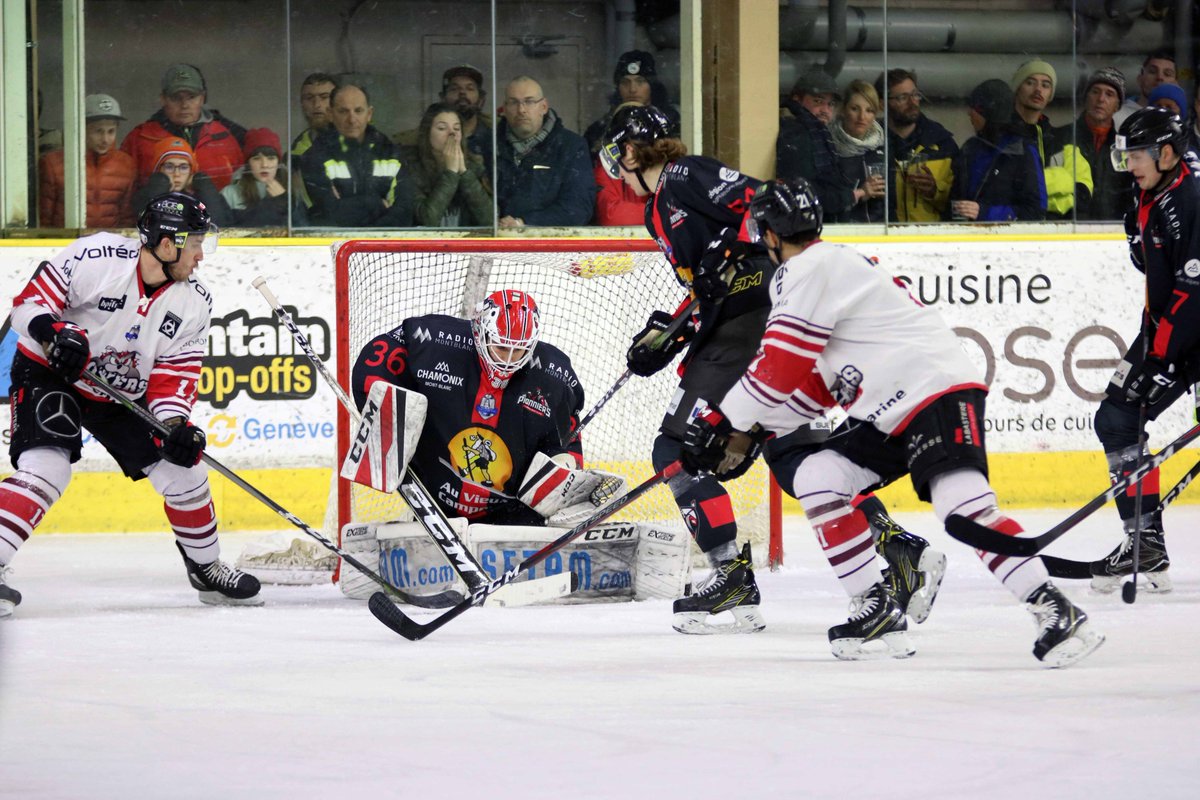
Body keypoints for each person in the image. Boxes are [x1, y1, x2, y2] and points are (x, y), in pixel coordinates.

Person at [682, 176, 1104, 667]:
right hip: (892, 407)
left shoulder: (808, 270)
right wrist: (755, 430)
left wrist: (725, 419)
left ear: (770, 234)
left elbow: (778, 367)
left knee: (963, 509)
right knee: (818, 476)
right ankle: (876, 606)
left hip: (934, 394)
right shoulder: (827, 268)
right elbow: (817, 387)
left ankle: (1054, 609)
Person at [599, 104, 936, 633]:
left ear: (630, 150)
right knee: (795, 455)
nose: (615, 169)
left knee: (677, 449)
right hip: (747, 322)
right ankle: (898, 549)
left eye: (615, 155)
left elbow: (765, 203)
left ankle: (730, 577)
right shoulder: (656, 209)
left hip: (753, 321)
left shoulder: (684, 174)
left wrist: (725, 253)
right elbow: (709, 283)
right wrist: (672, 332)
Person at [0, 192, 262, 618]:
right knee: (47, 468)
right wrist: (54, 332)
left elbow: (173, 377)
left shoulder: (194, 302)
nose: (201, 256)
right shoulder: (96, 257)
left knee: (185, 470)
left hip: (120, 392)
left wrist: (175, 425)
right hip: (51, 372)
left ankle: (206, 568)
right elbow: (28, 306)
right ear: (167, 244)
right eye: (196, 244)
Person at [350, 290, 587, 524]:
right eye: (501, 347)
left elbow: (568, 437)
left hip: (511, 512)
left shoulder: (556, 376)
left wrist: (566, 466)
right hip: (435, 499)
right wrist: (385, 418)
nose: (508, 360)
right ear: (480, 332)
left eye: (519, 350)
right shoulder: (433, 341)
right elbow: (376, 361)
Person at [1089, 106, 1200, 594]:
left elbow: (1194, 291)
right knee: (1116, 419)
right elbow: (1151, 265)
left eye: (1137, 155)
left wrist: (1162, 356)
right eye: (1126, 156)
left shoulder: (1192, 200)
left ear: (1167, 154)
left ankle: (1145, 543)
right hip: (1170, 330)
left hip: (1186, 332)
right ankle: (1145, 544)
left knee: (1119, 416)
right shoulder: (1149, 191)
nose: (1129, 165)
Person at [587, 51, 681, 226]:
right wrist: (662, 216)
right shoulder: (598, 132)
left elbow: (679, 208)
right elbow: (609, 211)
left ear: (652, 85)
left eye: (640, 81)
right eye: (625, 82)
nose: (632, 89)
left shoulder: (674, 127)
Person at [301, 83, 414, 227]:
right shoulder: (314, 157)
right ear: (330, 114)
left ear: (369, 114)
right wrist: (376, 203)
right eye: (343, 111)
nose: (352, 119)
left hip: (384, 240)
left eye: (358, 111)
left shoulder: (390, 153)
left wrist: (369, 232)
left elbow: (405, 213)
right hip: (335, 240)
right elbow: (327, 214)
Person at [121, 63, 247, 191]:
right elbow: (124, 194)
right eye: (176, 98)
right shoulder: (139, 139)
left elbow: (244, 191)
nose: (184, 105)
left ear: (202, 99)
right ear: (163, 99)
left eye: (191, 97)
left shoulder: (225, 137)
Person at [495, 76, 595, 228]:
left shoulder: (571, 146)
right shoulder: (491, 144)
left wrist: (524, 223)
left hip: (551, 240)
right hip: (494, 239)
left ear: (543, 107)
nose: (521, 110)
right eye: (514, 102)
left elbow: (578, 208)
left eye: (529, 102)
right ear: (504, 109)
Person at [949, 79, 1046, 222]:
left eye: (974, 108)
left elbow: (1036, 211)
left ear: (988, 113)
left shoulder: (1022, 151)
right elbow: (955, 201)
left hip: (1005, 235)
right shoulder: (970, 148)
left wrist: (986, 213)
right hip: (964, 233)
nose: (970, 113)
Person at [38, 93, 137, 228]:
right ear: (82, 129)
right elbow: (44, 219)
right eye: (98, 131)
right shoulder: (53, 164)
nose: (105, 139)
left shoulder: (126, 165)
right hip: (66, 240)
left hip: (109, 241)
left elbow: (127, 218)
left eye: (111, 131)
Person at [1010, 59, 1092, 220]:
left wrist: (1036, 198)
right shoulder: (1000, 136)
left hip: (1055, 230)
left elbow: (1083, 193)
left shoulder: (1062, 140)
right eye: (1030, 82)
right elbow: (1006, 192)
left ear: (1050, 95)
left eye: (1045, 85)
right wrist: (1061, 179)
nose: (1038, 89)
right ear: (1017, 88)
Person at [875, 69, 957, 223]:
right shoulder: (871, 145)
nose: (912, 102)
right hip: (883, 236)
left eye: (915, 95)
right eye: (902, 97)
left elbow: (961, 201)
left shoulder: (942, 143)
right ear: (882, 104)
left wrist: (935, 191)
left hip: (931, 236)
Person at [776, 69, 855, 219]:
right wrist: (849, 196)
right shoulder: (796, 133)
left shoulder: (819, 133)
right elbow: (803, 190)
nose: (825, 110)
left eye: (831, 104)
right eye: (818, 101)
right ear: (797, 100)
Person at [400, 102, 492, 227]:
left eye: (457, 128)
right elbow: (428, 220)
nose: (452, 133)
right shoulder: (409, 166)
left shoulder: (474, 166)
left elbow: (490, 220)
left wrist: (464, 173)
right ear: (427, 133)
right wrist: (451, 173)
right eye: (442, 128)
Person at [1070, 68, 1134, 221]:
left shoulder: (1125, 149)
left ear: (1117, 105)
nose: (1101, 99)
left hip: (1112, 230)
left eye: (1109, 94)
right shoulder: (1061, 138)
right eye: (1095, 92)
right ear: (1085, 98)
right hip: (1064, 228)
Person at [131, 136, 230, 227]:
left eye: (183, 167)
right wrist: (159, 185)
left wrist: (204, 186)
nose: (177, 174)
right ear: (158, 170)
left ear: (191, 171)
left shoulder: (202, 195)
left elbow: (218, 224)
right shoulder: (144, 194)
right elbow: (146, 222)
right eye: (169, 167)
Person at [827, 79, 886, 223]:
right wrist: (860, 193)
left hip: (878, 230)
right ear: (843, 110)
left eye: (869, 110)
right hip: (840, 230)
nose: (862, 117)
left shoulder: (883, 145)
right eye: (855, 109)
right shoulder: (828, 146)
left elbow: (891, 202)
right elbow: (826, 201)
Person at [220, 128, 288, 227]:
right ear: (248, 164)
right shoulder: (230, 194)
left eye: (271, 158)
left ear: (278, 163)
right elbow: (224, 231)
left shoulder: (291, 189)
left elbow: (302, 228)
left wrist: (284, 200)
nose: (264, 165)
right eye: (257, 159)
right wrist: (272, 204)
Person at [1114, 50, 1177, 129]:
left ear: (1176, 84)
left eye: (1167, 74)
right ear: (1140, 79)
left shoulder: (1178, 121)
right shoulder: (1116, 115)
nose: (1160, 77)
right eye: (1152, 71)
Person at [291, 72, 339, 161]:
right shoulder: (295, 151)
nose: (317, 105)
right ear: (302, 104)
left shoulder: (355, 140)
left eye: (324, 97)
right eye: (309, 98)